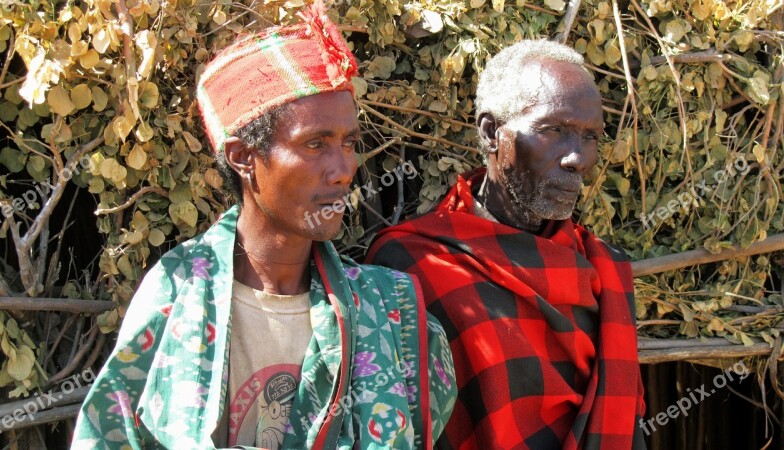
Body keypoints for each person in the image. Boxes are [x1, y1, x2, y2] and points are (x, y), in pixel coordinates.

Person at [71, 4, 456, 448]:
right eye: (315, 144)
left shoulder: (390, 311)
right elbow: (108, 432)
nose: (344, 170)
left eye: (350, 143)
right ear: (242, 157)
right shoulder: (176, 296)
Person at [366, 39, 645, 449]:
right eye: (554, 131)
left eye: (590, 137)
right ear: (491, 132)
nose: (578, 159)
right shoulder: (416, 263)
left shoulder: (604, 266)